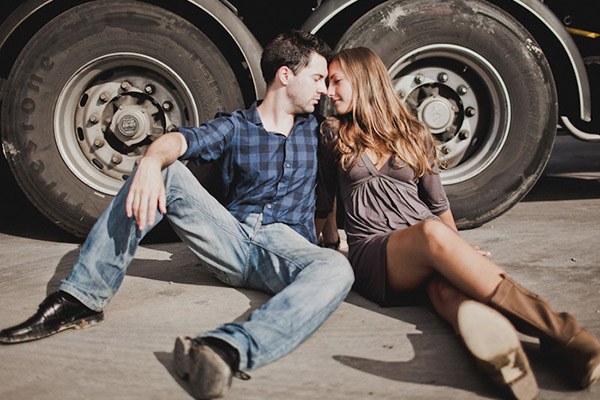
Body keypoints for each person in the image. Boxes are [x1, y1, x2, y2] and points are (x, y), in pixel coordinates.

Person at [0, 30, 354, 399]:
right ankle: (81, 299)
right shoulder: (236, 126)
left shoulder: (319, 133)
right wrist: (151, 161)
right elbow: (182, 140)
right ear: (285, 75)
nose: (324, 90)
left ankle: (226, 348)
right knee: (166, 170)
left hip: (285, 248)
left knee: (336, 268)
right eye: (316, 78)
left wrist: (333, 235)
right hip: (229, 239)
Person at [318, 47, 600, 399]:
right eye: (328, 82)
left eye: (336, 81)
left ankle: (503, 366)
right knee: (433, 236)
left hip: (425, 240)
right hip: (376, 251)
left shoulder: (413, 131)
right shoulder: (333, 132)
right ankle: (565, 333)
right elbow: (325, 199)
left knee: (449, 295)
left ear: (364, 79)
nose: (329, 91)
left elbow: (437, 203)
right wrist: (329, 246)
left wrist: (456, 251)